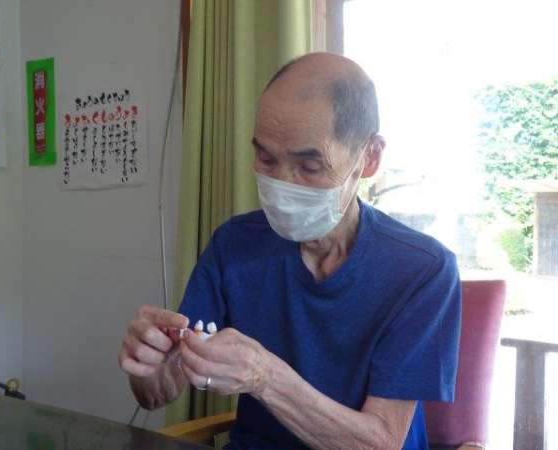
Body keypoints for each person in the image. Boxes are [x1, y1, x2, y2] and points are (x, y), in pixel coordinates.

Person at [119, 52, 461, 450]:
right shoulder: (234, 245)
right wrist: (148, 363)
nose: (282, 185)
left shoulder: (421, 270)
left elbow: (380, 443)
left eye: (309, 167)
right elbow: (157, 394)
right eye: (266, 159)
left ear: (369, 158)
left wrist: (265, 377)